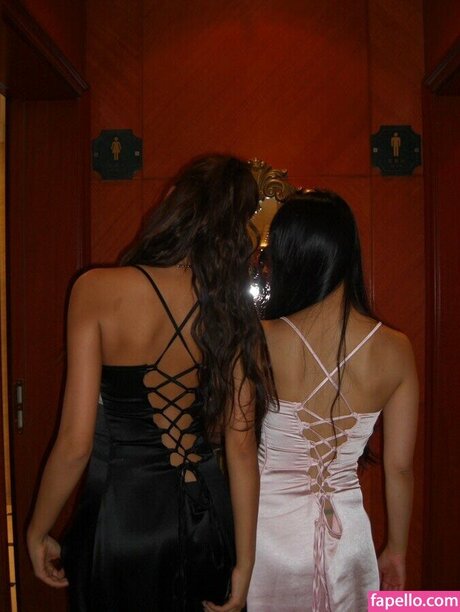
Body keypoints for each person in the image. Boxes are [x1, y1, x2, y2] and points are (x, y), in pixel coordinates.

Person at [27, 154, 274, 612]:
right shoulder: (232, 312)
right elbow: (241, 450)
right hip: (205, 515)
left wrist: (38, 530)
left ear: (172, 202)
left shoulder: (96, 289)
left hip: (123, 518)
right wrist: (246, 562)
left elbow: (76, 444)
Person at [247, 190, 418, 611]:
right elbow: (399, 467)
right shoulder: (396, 348)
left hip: (267, 536)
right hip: (351, 541)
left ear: (288, 257)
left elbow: (233, 444)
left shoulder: (260, 340)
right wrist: (397, 550)